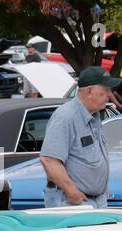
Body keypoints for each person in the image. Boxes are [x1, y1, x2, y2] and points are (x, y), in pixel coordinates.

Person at [38, 67, 117, 207]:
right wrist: (71, 191)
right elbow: (49, 160)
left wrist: (101, 190)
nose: (108, 96)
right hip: (72, 202)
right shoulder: (66, 116)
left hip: (94, 200)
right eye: (104, 91)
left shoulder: (94, 116)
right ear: (90, 91)